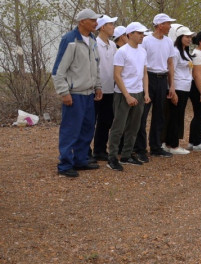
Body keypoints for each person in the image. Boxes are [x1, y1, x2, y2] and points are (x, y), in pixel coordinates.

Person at [52, 9, 103, 177]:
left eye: (96, 20)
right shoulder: (70, 40)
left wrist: (98, 86)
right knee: (71, 130)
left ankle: (81, 159)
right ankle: (65, 165)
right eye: (93, 20)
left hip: (89, 93)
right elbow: (59, 70)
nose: (96, 23)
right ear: (82, 21)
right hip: (74, 94)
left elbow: (95, 65)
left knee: (87, 128)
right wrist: (64, 92)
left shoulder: (93, 39)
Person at [107, 22, 151, 171]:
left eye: (143, 33)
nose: (141, 36)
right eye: (139, 33)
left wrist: (146, 93)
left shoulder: (143, 51)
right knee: (118, 127)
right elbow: (117, 75)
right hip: (123, 93)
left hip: (138, 92)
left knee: (134, 126)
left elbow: (144, 73)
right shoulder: (122, 52)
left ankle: (126, 155)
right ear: (130, 34)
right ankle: (112, 157)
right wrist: (127, 95)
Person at [136, 13, 178, 160]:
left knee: (159, 115)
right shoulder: (146, 41)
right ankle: (140, 148)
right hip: (148, 78)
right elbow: (141, 63)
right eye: (168, 23)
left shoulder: (168, 42)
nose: (170, 26)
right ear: (160, 25)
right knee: (142, 115)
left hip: (162, 79)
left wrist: (171, 85)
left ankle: (155, 146)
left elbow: (170, 63)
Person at [164, 25, 194, 155]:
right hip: (178, 88)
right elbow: (172, 71)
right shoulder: (175, 52)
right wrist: (173, 89)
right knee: (175, 116)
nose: (189, 39)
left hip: (185, 87)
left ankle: (170, 142)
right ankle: (173, 145)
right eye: (187, 37)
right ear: (180, 37)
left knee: (178, 116)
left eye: (190, 37)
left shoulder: (185, 52)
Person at [92, 14, 118, 162]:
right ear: (102, 27)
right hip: (97, 88)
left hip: (110, 88)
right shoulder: (94, 43)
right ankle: (86, 151)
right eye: (110, 24)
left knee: (106, 120)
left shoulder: (113, 45)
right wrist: (97, 86)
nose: (113, 27)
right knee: (91, 120)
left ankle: (100, 149)